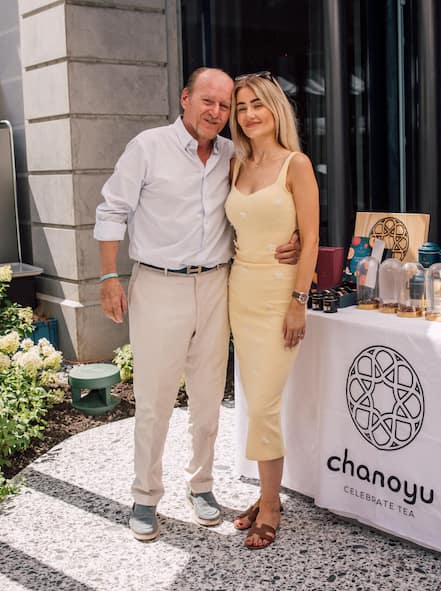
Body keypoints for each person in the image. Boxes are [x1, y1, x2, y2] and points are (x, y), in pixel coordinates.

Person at [94, 67, 298, 541]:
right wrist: (108, 276)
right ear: (185, 98)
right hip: (158, 285)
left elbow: (266, 203)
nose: (218, 112)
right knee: (155, 399)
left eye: (226, 106)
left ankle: (201, 485)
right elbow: (112, 210)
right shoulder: (148, 146)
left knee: (209, 397)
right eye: (209, 101)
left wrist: (291, 240)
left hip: (216, 285)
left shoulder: (232, 154)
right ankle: (145, 495)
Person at [225, 71, 319, 549]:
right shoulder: (236, 165)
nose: (249, 114)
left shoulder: (295, 164)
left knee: (264, 403)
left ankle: (271, 504)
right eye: (241, 107)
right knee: (253, 398)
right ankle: (265, 495)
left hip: (280, 296)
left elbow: (312, 237)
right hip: (239, 291)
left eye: (257, 104)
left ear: (276, 108)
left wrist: (298, 302)